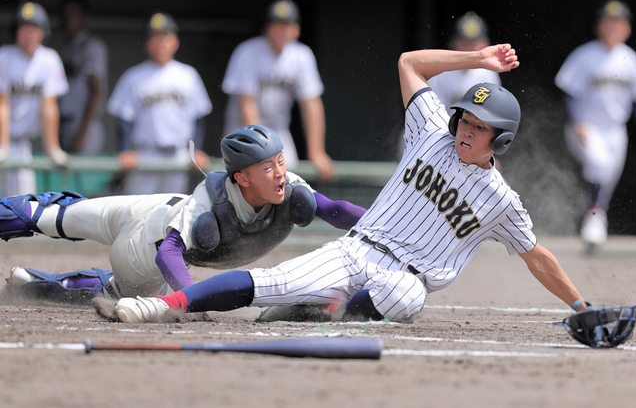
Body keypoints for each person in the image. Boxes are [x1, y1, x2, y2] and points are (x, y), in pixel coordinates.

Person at [110, 43, 591, 326]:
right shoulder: (431, 130)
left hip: (405, 279)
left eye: (480, 126)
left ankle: (318, 312)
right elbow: (409, 63)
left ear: (501, 140)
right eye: (465, 117)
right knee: (265, 284)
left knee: (406, 296)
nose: (466, 127)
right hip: (355, 250)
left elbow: (538, 257)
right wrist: (476, 58)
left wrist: (580, 304)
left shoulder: (501, 201)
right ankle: (160, 304)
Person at [2, 125, 366, 305]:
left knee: (62, 223)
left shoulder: (289, 188)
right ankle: (31, 279)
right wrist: (194, 298)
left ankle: (30, 281)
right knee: (51, 214)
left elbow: (335, 210)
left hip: (157, 217)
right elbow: (168, 252)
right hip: (146, 244)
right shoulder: (209, 201)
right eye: (268, 166)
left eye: (280, 161)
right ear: (241, 177)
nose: (281, 172)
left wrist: (384, 222)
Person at [555, 0, 636, 250]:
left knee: (606, 178)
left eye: (619, 22)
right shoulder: (584, 55)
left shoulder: (632, 59)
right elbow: (568, 92)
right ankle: (594, 218)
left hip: (615, 129)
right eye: (608, 21)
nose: (613, 27)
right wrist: (576, 120)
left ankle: (592, 218)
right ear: (599, 25)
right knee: (599, 165)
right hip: (585, 126)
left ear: (628, 28)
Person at [221, 0, 333, 180]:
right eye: (277, 25)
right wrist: (259, 148)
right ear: (267, 28)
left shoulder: (301, 55)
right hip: (242, 135)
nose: (282, 31)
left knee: (290, 188)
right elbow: (247, 105)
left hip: (278, 133)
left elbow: (311, 104)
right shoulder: (247, 52)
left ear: (296, 29)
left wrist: (316, 151)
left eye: (287, 25)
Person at [107, 11, 212, 195]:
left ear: (175, 42)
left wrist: (197, 149)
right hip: (144, 154)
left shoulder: (188, 75)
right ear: (146, 43)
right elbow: (124, 120)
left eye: (165, 38)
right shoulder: (133, 77)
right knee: (138, 213)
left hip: (178, 154)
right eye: (155, 38)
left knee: (172, 210)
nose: (160, 44)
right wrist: (125, 150)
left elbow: (197, 118)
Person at [0, 2, 69, 197]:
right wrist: (2, 145)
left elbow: (49, 107)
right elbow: (1, 104)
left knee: (20, 205)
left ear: (42, 32)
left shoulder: (49, 59)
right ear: (16, 31)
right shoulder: (4, 56)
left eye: (34, 29)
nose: (29, 34)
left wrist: (53, 149)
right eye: (24, 28)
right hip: (3, 142)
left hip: (22, 145)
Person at [57, 0, 108, 155]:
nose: (69, 17)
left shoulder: (92, 46)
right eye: (66, 13)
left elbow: (96, 91)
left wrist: (82, 135)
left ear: (85, 17)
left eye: (74, 12)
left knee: (82, 179)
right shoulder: (68, 48)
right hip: (65, 123)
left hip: (85, 125)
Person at [427, 11, 501, 116]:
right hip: (443, 129)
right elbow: (432, 114)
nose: (469, 48)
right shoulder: (441, 71)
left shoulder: (488, 73)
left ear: (485, 44)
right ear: (454, 43)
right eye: (465, 43)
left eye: (473, 44)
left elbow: (491, 113)